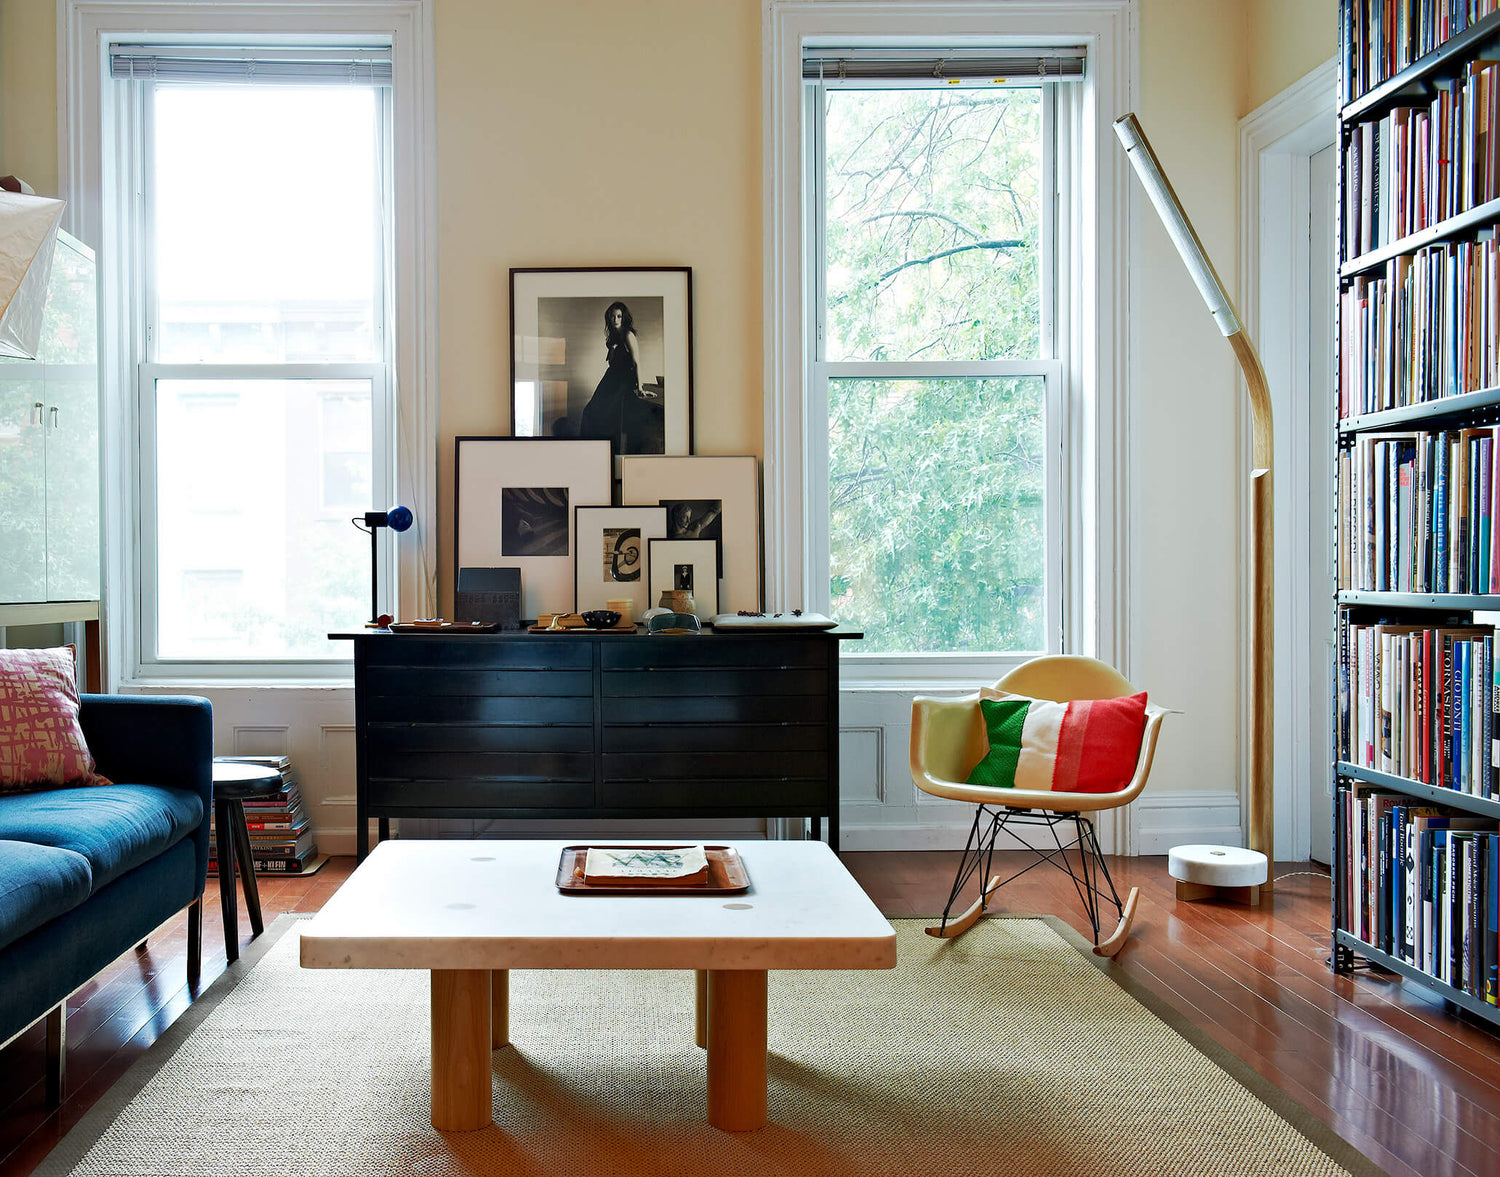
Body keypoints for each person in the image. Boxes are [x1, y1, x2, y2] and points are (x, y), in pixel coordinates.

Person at [578, 301, 664, 454]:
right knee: (589, 412)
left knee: (608, 418)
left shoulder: (628, 334)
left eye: (619, 316)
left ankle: (606, 452)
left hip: (623, 381)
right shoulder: (613, 336)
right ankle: (590, 451)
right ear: (609, 319)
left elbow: (637, 362)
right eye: (612, 317)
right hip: (610, 378)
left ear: (624, 318)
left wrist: (640, 387)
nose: (615, 319)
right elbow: (612, 362)